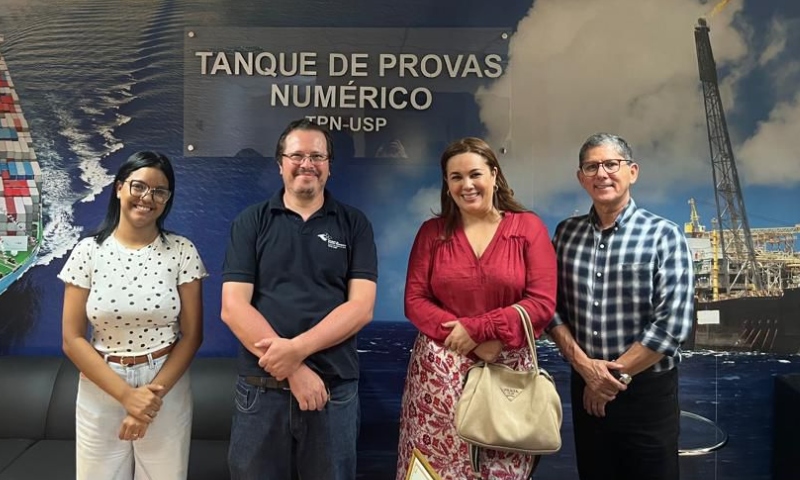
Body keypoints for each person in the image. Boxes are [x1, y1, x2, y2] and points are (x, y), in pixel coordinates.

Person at [220, 118, 378, 479]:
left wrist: (295, 352)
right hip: (261, 394)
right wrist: (294, 369)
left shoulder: (354, 225)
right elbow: (233, 307)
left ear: (329, 167)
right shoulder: (251, 222)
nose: (307, 163)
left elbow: (360, 308)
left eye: (317, 156)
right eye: (297, 155)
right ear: (280, 164)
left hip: (333, 392)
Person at [396, 137, 557, 479]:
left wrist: (480, 330)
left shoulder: (527, 228)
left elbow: (542, 303)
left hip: (507, 380)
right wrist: (464, 335)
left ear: (494, 175)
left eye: (474, 174)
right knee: (433, 469)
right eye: (455, 177)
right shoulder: (431, 233)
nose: (466, 185)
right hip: (437, 384)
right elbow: (415, 301)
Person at [548, 133, 694, 480]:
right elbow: (549, 307)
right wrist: (587, 371)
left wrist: (609, 378)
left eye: (611, 164)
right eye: (591, 167)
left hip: (647, 393)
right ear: (581, 177)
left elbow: (672, 325)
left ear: (632, 171)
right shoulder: (566, 235)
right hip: (586, 387)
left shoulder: (664, 235)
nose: (602, 174)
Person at [59, 151, 207, 479]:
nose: (147, 198)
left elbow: (193, 335)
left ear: (167, 199)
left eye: (159, 191)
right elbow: (71, 339)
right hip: (102, 383)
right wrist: (127, 396)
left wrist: (147, 401)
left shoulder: (182, 251)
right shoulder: (87, 251)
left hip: (165, 385)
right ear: (119, 188)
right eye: (138, 187)